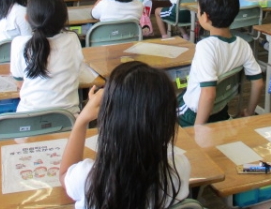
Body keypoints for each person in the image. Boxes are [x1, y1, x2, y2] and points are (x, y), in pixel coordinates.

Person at [59, 61, 191, 209]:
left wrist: (82, 120)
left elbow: (64, 173)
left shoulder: (89, 178)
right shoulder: (179, 169)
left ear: (110, 121)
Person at [178, 0, 264, 127]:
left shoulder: (205, 47)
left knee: (160, 110)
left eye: (198, 10)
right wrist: (249, 112)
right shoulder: (243, 45)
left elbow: (208, 94)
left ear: (205, 16)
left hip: (193, 115)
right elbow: (258, 83)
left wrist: (198, 129)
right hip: (220, 111)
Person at [10, 0, 84, 115]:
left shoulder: (19, 43)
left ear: (27, 18)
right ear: (64, 18)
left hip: (28, 119)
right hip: (68, 119)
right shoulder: (72, 39)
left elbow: (19, 83)